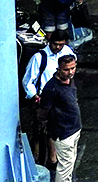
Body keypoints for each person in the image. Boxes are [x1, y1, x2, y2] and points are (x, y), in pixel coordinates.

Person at [21, 27, 74, 168]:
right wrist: (35, 97)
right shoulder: (39, 58)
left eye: (60, 44)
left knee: (57, 130)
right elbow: (28, 81)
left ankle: (53, 159)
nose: (57, 47)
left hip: (61, 99)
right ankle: (37, 160)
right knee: (39, 132)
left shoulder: (67, 52)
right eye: (55, 44)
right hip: (43, 99)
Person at [44, 55, 84, 182]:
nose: (70, 72)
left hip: (74, 128)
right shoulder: (51, 88)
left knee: (70, 162)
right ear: (58, 69)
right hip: (63, 132)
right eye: (66, 69)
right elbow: (43, 111)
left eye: (73, 68)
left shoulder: (70, 82)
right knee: (64, 167)